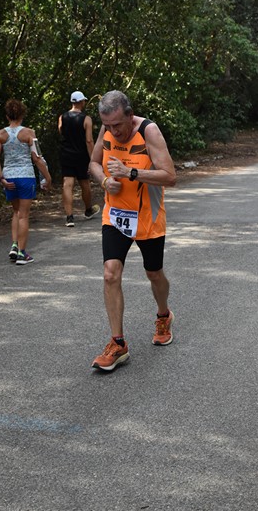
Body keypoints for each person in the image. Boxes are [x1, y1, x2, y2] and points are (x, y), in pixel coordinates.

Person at [89, 90, 177, 371]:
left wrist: (131, 173)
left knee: (153, 273)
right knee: (110, 273)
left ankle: (163, 315)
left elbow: (170, 177)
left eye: (118, 124)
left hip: (148, 217)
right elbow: (92, 163)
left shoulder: (148, 131)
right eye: (108, 125)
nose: (113, 131)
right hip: (115, 215)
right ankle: (118, 343)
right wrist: (104, 181)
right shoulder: (106, 129)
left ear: (130, 114)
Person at [0, 98, 52, 265]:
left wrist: (1, 177)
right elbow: (37, 157)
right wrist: (47, 177)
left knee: (16, 212)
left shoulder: (1, 134)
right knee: (24, 216)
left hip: (9, 176)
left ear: (7, 115)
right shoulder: (29, 133)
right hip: (26, 176)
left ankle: (14, 244)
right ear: (22, 114)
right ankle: (22, 253)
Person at [58, 90, 100, 227]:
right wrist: (93, 159)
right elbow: (89, 140)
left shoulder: (62, 117)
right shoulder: (86, 119)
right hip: (81, 155)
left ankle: (69, 217)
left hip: (66, 154)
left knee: (67, 185)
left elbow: (61, 132)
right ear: (81, 102)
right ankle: (88, 209)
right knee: (84, 183)